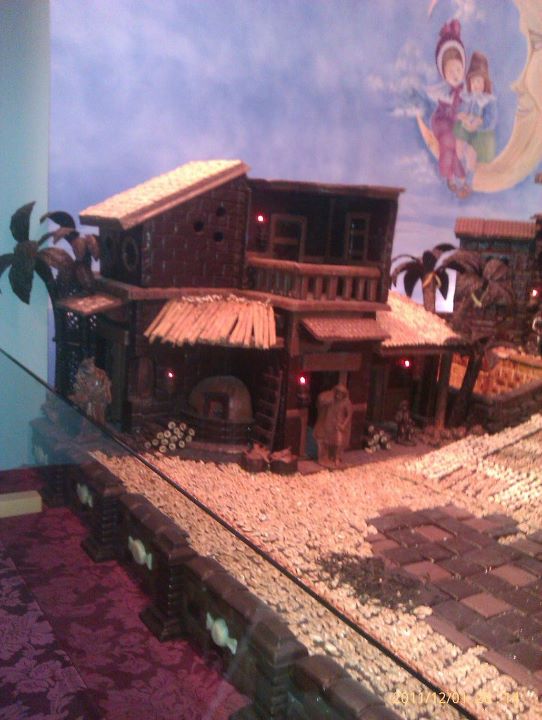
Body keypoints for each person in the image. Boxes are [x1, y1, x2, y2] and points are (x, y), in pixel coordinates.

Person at [428, 20, 469, 197]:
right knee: (449, 141)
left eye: (458, 70)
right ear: (443, 74)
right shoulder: (444, 91)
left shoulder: (465, 90)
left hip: (456, 123)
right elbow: (448, 112)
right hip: (442, 121)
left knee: (459, 144)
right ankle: (449, 175)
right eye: (450, 71)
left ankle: (460, 176)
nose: (455, 75)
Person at [455, 51, 497, 190]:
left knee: (471, 153)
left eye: (479, 81)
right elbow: (461, 110)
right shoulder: (468, 97)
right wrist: (462, 116)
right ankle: (460, 170)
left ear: (485, 83)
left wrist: (480, 121)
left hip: (480, 134)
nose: (476, 85)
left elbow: (491, 121)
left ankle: (469, 181)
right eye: (473, 81)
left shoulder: (488, 100)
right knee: (459, 145)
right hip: (466, 128)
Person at [314, 384, 353, 466]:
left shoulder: (346, 402)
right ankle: (329, 457)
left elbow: (349, 415)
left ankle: (337, 457)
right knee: (329, 441)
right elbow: (322, 403)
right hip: (330, 423)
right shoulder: (332, 401)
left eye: (341, 393)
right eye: (337, 393)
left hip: (340, 424)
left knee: (339, 442)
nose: (338, 395)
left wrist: (344, 425)